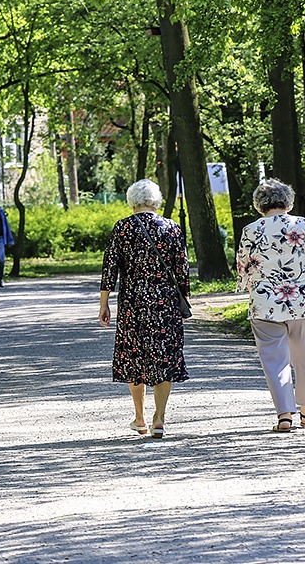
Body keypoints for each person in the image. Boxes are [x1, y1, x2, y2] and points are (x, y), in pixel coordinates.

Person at [235, 178, 305, 433]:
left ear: (259, 205)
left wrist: (255, 291)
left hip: (264, 305)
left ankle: (284, 415)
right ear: (288, 202)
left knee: (275, 362)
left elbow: (243, 269)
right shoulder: (303, 225)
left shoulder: (251, 230)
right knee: (304, 357)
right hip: (302, 302)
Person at [99, 179, 190, 438]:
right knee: (164, 356)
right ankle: (158, 418)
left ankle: (139, 418)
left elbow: (110, 269)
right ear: (156, 201)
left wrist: (104, 303)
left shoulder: (123, 228)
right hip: (165, 303)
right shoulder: (171, 227)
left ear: (132, 202)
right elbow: (182, 270)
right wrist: (183, 302)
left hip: (132, 304)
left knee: (134, 356)